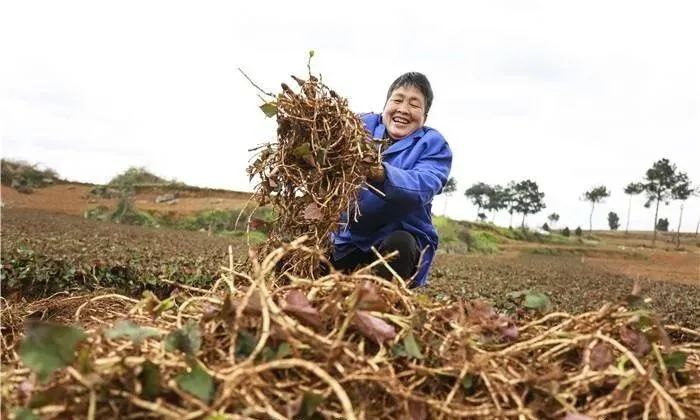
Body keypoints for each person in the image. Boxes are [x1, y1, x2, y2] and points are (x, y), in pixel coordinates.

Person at [331, 72, 452, 287]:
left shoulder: (433, 144)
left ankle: (378, 307)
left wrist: (379, 173)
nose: (403, 109)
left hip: (397, 241)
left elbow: (423, 185)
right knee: (297, 251)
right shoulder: (360, 125)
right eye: (397, 100)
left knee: (400, 245)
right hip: (349, 239)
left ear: (425, 116)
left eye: (414, 105)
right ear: (385, 105)